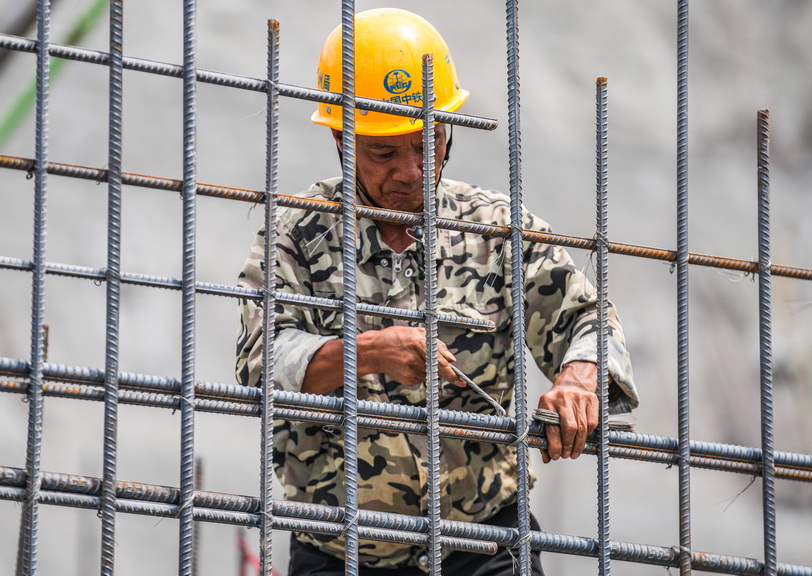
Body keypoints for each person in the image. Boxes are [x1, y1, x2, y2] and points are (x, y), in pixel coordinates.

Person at [236, 8, 639, 575]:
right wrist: (365, 353)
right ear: (339, 136)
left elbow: (588, 320)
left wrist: (578, 378)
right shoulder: (297, 235)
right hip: (343, 548)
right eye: (384, 152)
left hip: (485, 544)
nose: (410, 171)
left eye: (427, 143)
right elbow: (260, 364)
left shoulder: (495, 230)